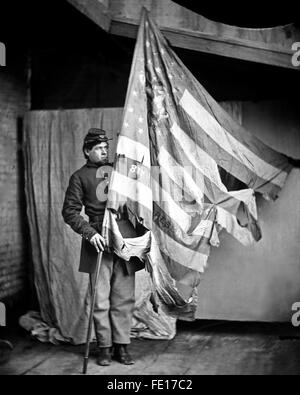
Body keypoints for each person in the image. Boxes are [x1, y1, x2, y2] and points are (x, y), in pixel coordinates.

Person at [62, 128, 137, 366]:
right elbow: (70, 212)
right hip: (98, 241)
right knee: (101, 299)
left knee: (124, 297)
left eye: (106, 147)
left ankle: (122, 347)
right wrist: (89, 233)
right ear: (87, 151)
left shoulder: (121, 171)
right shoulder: (79, 177)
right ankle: (105, 347)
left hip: (124, 240)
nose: (104, 151)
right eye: (98, 148)